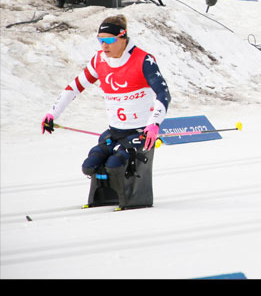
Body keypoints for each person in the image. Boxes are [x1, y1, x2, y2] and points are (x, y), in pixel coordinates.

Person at [41, 15, 171, 204]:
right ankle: (104, 196)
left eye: (109, 40)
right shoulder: (99, 61)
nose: (104, 45)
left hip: (139, 131)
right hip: (115, 131)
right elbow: (74, 87)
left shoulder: (143, 60)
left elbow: (163, 93)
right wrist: (52, 113)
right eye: (100, 40)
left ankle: (132, 197)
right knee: (90, 166)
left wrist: (154, 125)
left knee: (115, 164)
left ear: (122, 37)